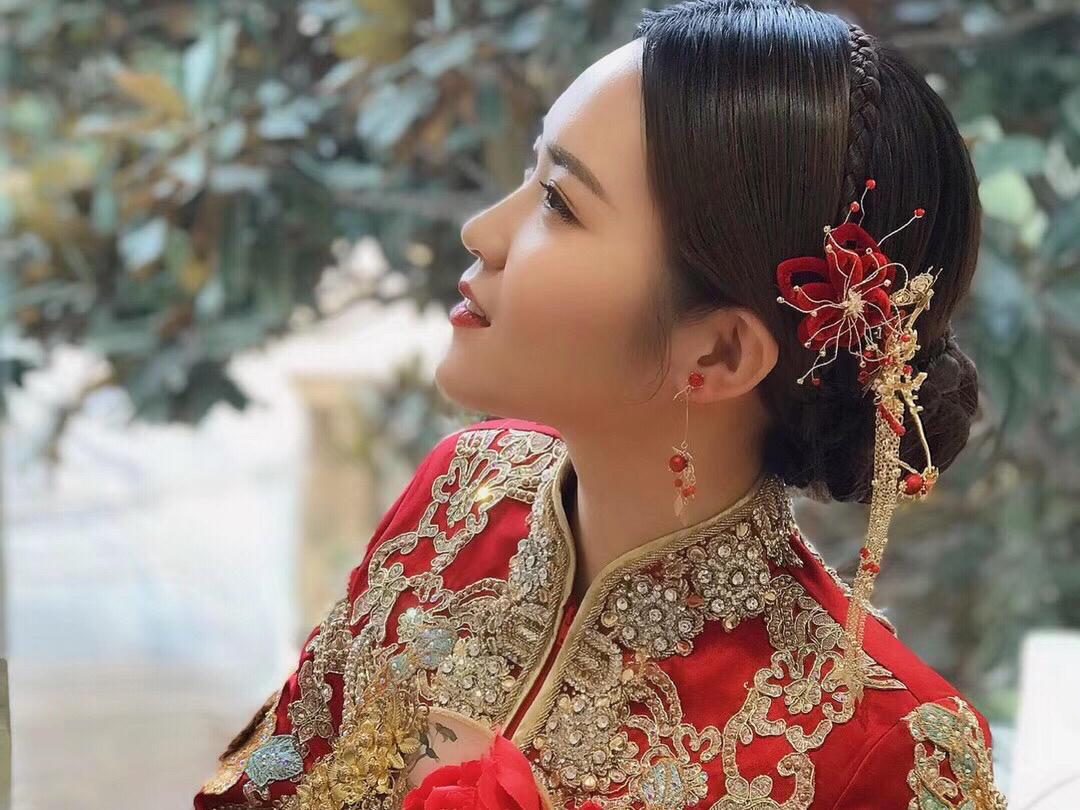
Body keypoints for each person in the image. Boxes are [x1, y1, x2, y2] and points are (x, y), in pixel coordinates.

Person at [194, 1, 1008, 808]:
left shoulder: (885, 750)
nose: (482, 230)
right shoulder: (462, 492)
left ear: (719, 353)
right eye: (532, 171)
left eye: (559, 203)